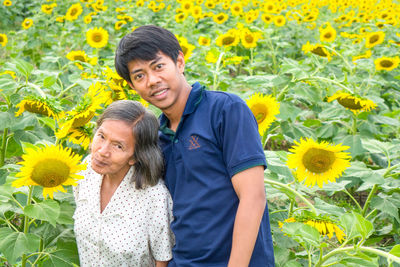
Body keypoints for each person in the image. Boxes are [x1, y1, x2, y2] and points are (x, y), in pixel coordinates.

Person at [115, 25, 275, 266]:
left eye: (158, 66)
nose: (153, 81)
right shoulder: (157, 138)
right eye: (140, 76)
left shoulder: (225, 110)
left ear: (179, 61)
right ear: (132, 86)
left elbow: (253, 197)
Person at [73, 100, 174, 267]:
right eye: (101, 136)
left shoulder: (154, 198)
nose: (102, 151)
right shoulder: (84, 172)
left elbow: (162, 259)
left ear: (135, 157)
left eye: (118, 146)